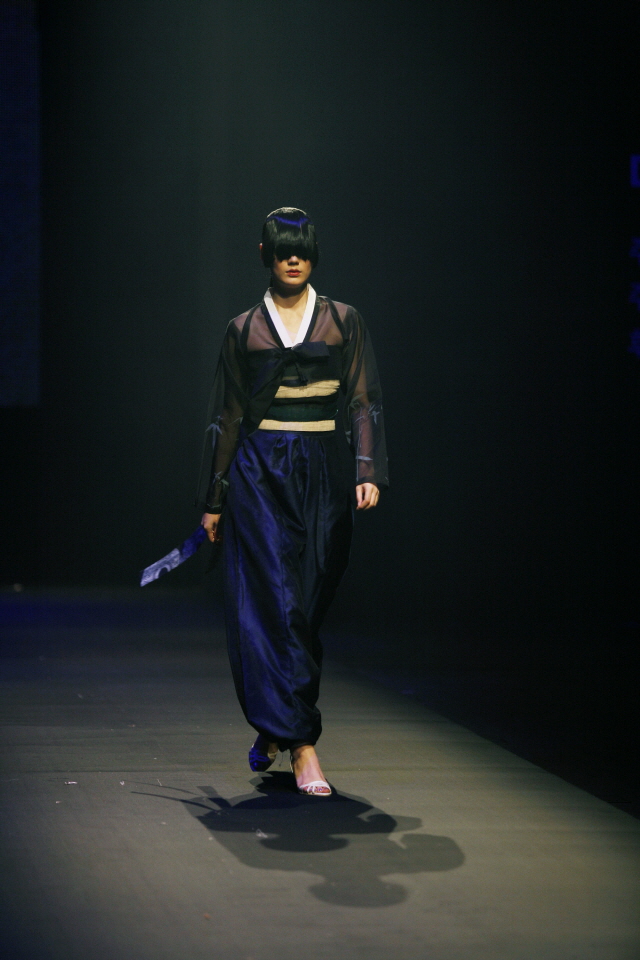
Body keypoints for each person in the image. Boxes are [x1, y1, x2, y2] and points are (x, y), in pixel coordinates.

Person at [199, 207, 388, 796]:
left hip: (324, 469)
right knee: (276, 603)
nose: (293, 258)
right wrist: (215, 497)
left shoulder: (342, 319)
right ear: (266, 254)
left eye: (301, 248)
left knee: (307, 602)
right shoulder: (243, 329)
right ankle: (303, 745)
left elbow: (363, 398)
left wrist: (367, 467)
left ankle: (275, 723)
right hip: (260, 471)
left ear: (313, 253)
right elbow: (228, 415)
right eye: (282, 249)